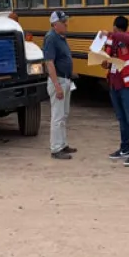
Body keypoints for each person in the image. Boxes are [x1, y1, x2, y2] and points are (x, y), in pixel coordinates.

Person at [100, 16, 129, 166]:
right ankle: (125, 148)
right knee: (122, 118)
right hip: (115, 86)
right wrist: (104, 62)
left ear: (116, 28)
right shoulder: (112, 42)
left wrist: (110, 35)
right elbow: (105, 61)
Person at [42, 10, 77, 160]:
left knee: (64, 114)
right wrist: (57, 86)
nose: (66, 24)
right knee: (57, 116)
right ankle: (56, 148)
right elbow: (49, 63)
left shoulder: (61, 37)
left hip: (66, 79)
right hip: (59, 81)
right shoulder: (51, 38)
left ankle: (62, 144)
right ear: (55, 25)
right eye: (63, 22)